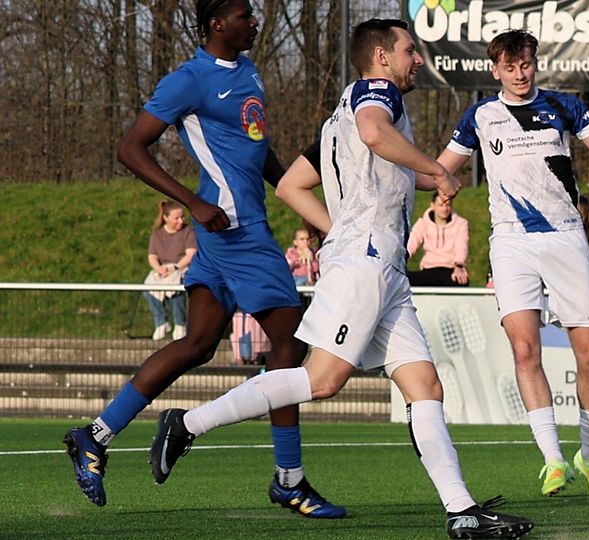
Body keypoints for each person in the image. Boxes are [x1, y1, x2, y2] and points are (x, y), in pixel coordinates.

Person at [146, 19, 533, 539]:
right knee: (323, 380)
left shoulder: (340, 116)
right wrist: (435, 175)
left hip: (379, 264)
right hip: (366, 263)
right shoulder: (377, 94)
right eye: (409, 50)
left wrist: (351, 224)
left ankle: (462, 513)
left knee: (425, 386)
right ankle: (188, 423)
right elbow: (375, 133)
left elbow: (291, 185)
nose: (417, 59)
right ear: (382, 57)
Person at [63, 0, 343, 519]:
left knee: (197, 343)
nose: (255, 22)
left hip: (232, 228)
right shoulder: (189, 80)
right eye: (244, 15)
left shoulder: (248, 70)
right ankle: (289, 479)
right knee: (290, 343)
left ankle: (95, 434)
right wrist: (191, 201)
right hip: (235, 231)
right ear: (217, 23)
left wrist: (294, 188)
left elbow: (254, 148)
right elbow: (131, 148)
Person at [436, 29, 589, 498]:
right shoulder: (480, 116)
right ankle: (552, 459)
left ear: (535, 63)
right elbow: (441, 168)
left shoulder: (564, 106)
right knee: (525, 351)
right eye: (510, 67)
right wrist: (421, 173)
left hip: (566, 237)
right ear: (495, 71)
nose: (519, 74)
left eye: (525, 64)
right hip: (511, 241)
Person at [143, 200, 197, 340]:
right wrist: (159, 268)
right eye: (176, 218)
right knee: (148, 287)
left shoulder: (188, 231)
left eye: (182, 217)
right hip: (163, 269)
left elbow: (190, 254)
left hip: (181, 268)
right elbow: (152, 256)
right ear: (166, 218)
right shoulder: (157, 233)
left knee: (176, 288)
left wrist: (176, 267)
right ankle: (161, 322)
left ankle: (180, 323)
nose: (181, 221)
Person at [406, 190, 470, 286]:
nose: (445, 208)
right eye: (441, 205)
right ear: (433, 205)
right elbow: (412, 243)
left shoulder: (461, 224)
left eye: (448, 205)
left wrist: (459, 266)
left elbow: (461, 246)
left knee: (461, 280)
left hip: (450, 270)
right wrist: (402, 259)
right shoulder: (422, 223)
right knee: (404, 279)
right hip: (428, 270)